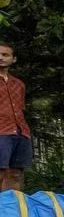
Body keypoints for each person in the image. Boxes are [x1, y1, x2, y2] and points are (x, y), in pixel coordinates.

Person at [0, 43, 32, 193]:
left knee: (15, 173)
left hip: (20, 132)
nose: (1, 58)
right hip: (1, 131)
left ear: (14, 59)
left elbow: (21, 108)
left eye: (5, 55)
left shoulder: (19, 84)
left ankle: (12, 210)